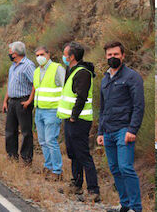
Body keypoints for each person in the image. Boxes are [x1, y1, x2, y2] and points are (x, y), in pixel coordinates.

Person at [98, 41, 145, 212]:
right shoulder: (105, 79)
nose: (112, 58)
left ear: (123, 56)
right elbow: (102, 108)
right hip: (108, 131)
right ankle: (124, 205)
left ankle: (136, 207)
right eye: (109, 55)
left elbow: (138, 106)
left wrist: (132, 130)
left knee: (125, 167)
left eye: (116, 54)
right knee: (115, 169)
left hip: (124, 129)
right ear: (105, 56)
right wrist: (100, 132)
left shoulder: (132, 77)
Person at [57, 42, 100, 202]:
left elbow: (81, 97)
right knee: (73, 153)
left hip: (79, 121)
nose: (63, 56)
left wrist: (74, 116)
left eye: (65, 53)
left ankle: (93, 191)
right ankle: (76, 185)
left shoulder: (83, 73)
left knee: (83, 155)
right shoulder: (72, 69)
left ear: (72, 56)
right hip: (70, 120)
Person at [32, 46, 66, 180]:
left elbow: (65, 88)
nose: (40, 57)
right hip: (39, 110)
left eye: (42, 54)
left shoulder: (57, 68)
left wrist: (62, 108)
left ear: (48, 54)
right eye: (37, 55)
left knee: (51, 140)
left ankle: (57, 171)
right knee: (42, 141)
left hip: (53, 110)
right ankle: (48, 165)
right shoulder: (36, 71)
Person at [2, 41, 35, 164]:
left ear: (15, 53)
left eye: (10, 52)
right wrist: (5, 101)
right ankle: (12, 156)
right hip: (12, 102)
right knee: (10, 130)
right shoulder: (13, 66)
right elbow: (10, 85)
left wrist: (29, 101)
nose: (9, 54)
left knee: (26, 131)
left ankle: (26, 158)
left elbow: (35, 84)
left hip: (23, 101)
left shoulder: (28, 65)